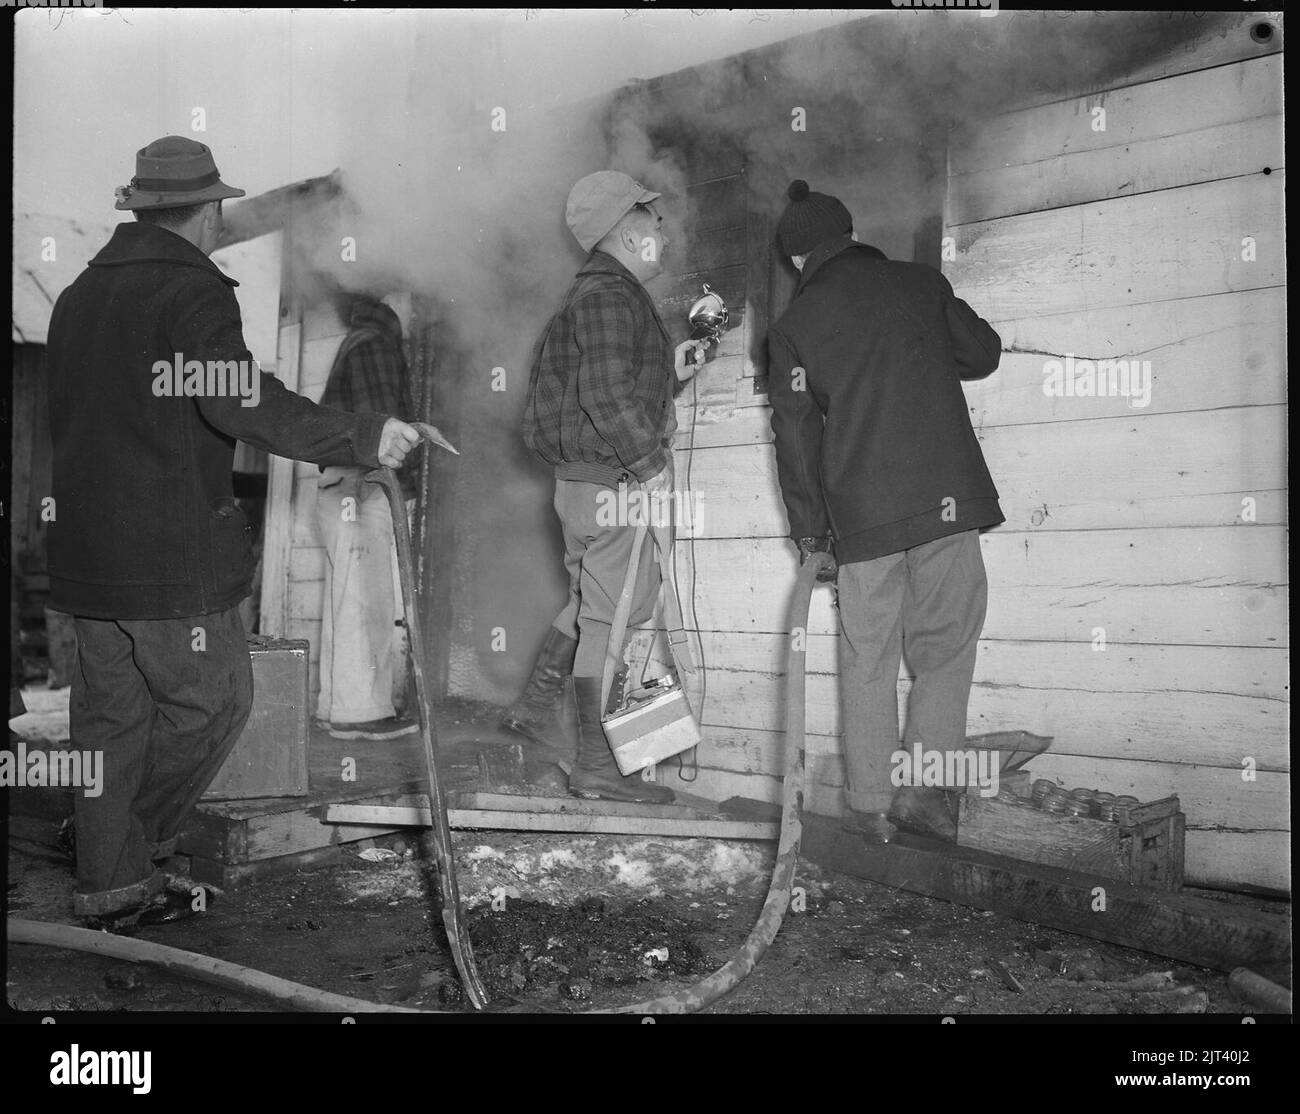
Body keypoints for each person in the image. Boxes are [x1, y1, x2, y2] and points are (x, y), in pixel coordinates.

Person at [44, 136, 421, 931]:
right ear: (210, 211)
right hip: (165, 562)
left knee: (111, 722)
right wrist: (364, 436)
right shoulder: (191, 292)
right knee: (215, 703)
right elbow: (237, 401)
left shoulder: (78, 297)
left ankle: (108, 877)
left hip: (85, 559)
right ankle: (124, 851)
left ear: (140, 209)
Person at [766, 179, 1004, 844]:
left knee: (866, 656)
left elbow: (794, 436)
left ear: (795, 261)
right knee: (945, 651)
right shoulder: (920, 284)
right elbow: (981, 352)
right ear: (850, 232)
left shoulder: (792, 330)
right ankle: (927, 797)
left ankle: (869, 807)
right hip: (946, 506)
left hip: (862, 520)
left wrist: (811, 534)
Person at [510, 171, 705, 803]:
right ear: (627, 231)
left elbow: (606, 387)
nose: (662, 230)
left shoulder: (603, 296)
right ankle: (597, 766)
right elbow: (603, 394)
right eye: (653, 220)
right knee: (614, 620)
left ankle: (537, 708)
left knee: (611, 604)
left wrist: (670, 372)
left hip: (589, 482)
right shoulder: (608, 298)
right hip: (612, 482)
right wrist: (650, 466)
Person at [315, 294, 420, 741]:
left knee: (349, 600)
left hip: (343, 486)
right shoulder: (376, 344)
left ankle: (339, 706)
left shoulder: (357, 340)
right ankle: (360, 714)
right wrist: (409, 488)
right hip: (362, 486)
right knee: (365, 601)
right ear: (393, 299)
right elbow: (384, 431)